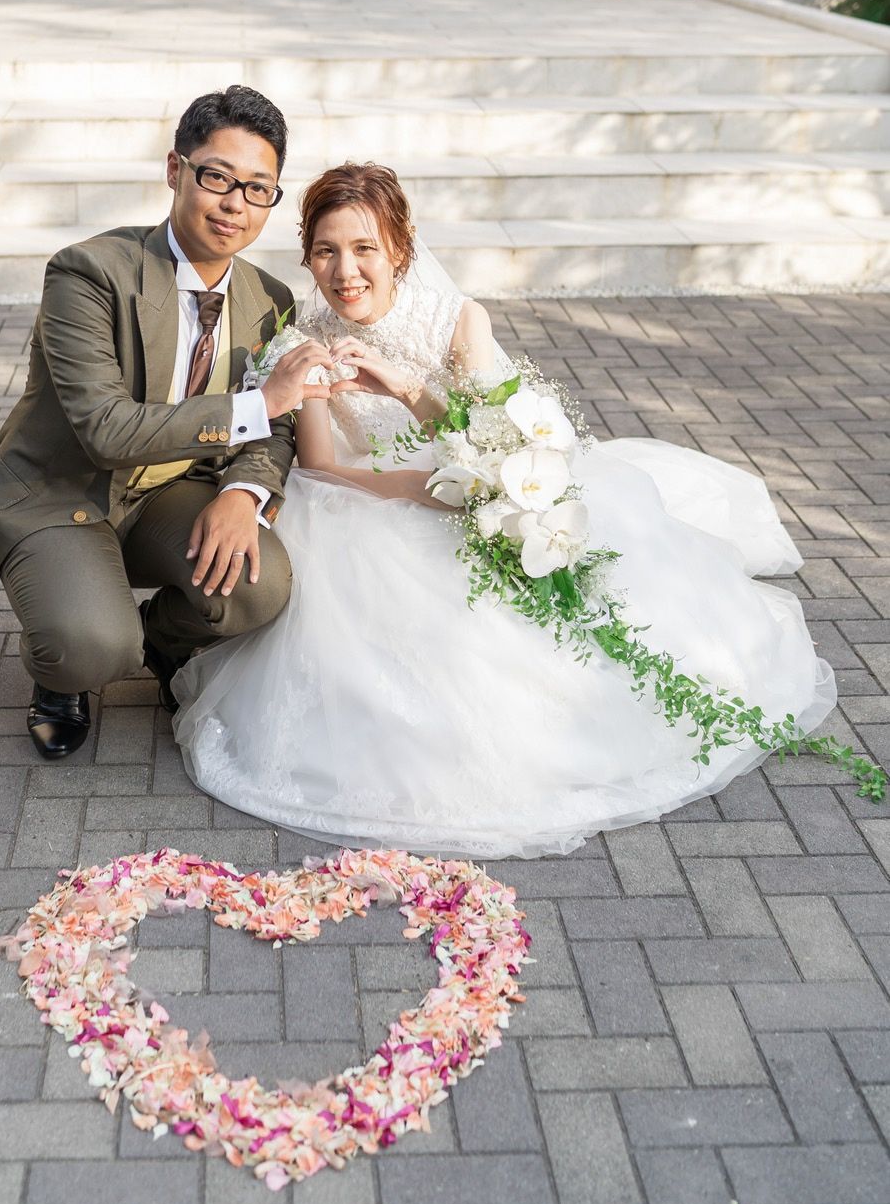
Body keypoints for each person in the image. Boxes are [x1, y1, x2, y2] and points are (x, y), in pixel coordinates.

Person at [174, 162, 838, 857]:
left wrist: (406, 389)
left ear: (399, 248)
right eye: (325, 251)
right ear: (308, 256)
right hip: (370, 496)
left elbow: (497, 443)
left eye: (365, 248)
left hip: (484, 480)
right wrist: (409, 488)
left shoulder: (457, 320)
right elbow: (321, 467)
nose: (346, 271)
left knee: (553, 614)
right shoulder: (303, 340)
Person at [0, 85, 331, 759]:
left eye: (257, 188)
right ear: (175, 170)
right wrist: (258, 406)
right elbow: (106, 429)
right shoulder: (88, 273)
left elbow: (275, 427)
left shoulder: (268, 299)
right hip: (62, 490)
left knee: (260, 584)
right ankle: (61, 671)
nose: (235, 204)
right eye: (217, 177)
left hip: (167, 491)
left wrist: (243, 493)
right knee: (92, 645)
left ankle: (160, 640)